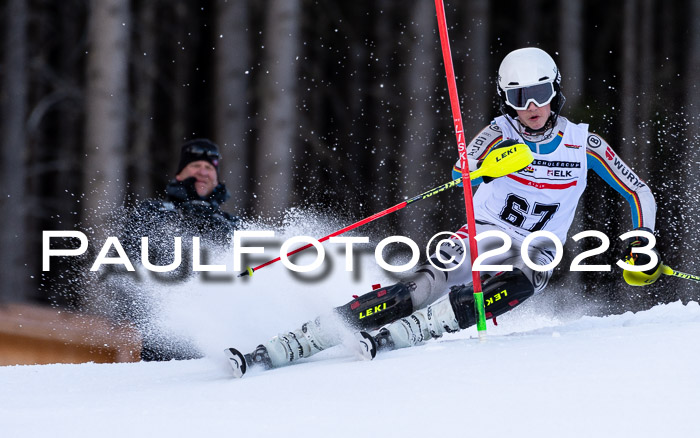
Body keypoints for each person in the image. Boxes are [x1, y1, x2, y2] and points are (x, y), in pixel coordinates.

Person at [225, 47, 662, 377]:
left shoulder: (582, 143)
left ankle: (414, 331)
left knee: (521, 279)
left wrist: (644, 242)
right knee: (424, 282)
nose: (531, 107)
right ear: (506, 100)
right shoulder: (499, 132)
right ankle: (299, 339)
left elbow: (638, 191)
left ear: (556, 92)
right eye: (519, 97)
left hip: (537, 246)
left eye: (541, 94)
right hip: (485, 230)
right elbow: (462, 172)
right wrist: (478, 168)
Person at [119, 138, 241, 361]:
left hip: (219, 343)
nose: (203, 172)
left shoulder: (232, 225)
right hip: (165, 340)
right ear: (179, 175)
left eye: (208, 167)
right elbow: (127, 263)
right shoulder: (152, 212)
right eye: (195, 166)